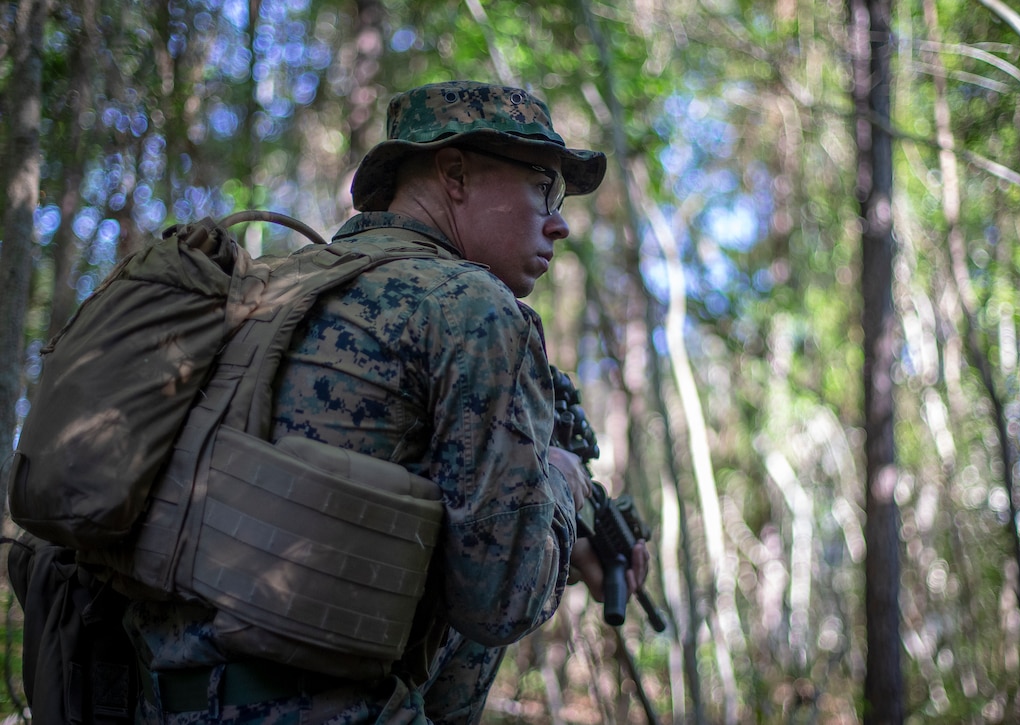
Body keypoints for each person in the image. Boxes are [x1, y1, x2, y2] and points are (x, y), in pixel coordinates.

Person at [125, 80, 649, 724]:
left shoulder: (268, 290)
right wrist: (563, 489)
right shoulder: (472, 307)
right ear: (454, 173)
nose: (559, 222)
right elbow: (500, 602)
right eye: (543, 185)